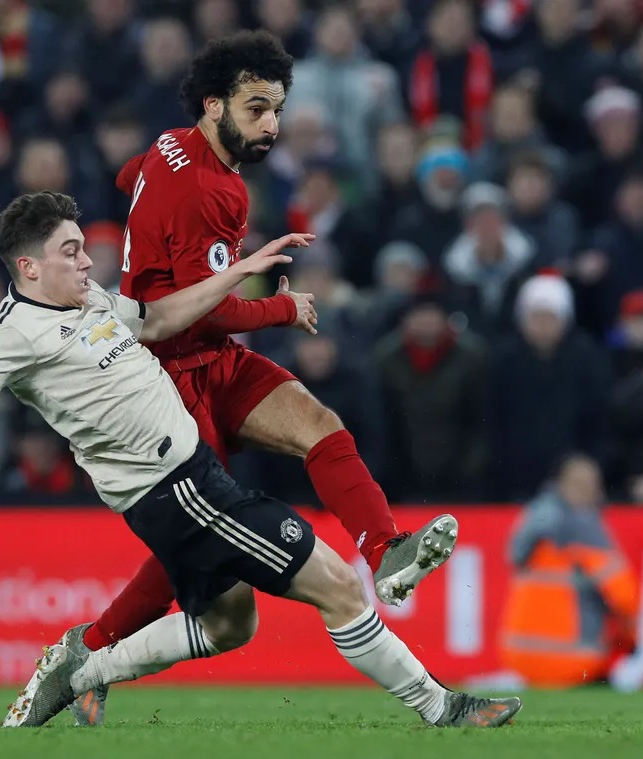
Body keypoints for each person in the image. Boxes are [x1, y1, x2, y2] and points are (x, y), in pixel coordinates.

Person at [0, 192, 517, 730]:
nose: (87, 260)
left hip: (189, 481)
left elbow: (160, 320)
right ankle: (441, 707)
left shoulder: (92, 299)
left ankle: (84, 666)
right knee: (338, 587)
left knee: (228, 624)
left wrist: (239, 275)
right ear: (28, 267)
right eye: (71, 250)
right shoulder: (12, 332)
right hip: (179, 491)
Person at [76, 30, 459, 725]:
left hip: (209, 361)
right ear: (214, 104)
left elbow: (127, 175)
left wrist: (146, 219)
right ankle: (89, 652)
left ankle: (386, 549)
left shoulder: (171, 147)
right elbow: (202, 310)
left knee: (318, 424)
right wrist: (286, 304)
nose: (272, 125)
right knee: (194, 551)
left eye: (277, 109)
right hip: (168, 380)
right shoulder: (209, 188)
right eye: (257, 109)